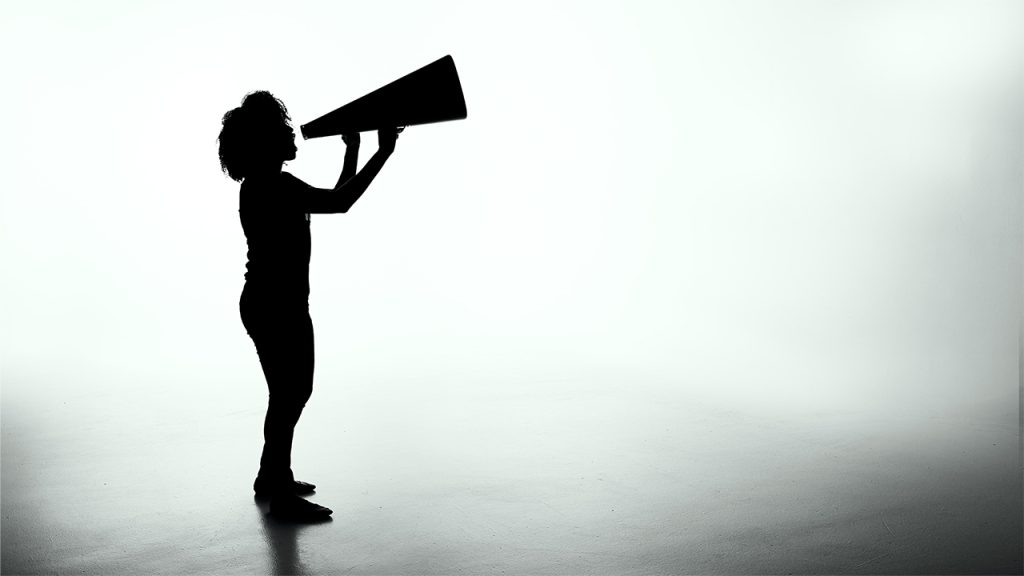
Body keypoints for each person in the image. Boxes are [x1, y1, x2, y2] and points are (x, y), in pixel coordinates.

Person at [218, 91, 399, 521]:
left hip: (270, 303)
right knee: (289, 394)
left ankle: (271, 476)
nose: (293, 135)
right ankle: (279, 492)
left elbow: (335, 196)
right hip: (276, 306)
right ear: (267, 144)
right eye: (284, 131)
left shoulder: (265, 185)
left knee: (288, 394)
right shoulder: (274, 186)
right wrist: (383, 152)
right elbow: (341, 202)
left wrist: (354, 150)